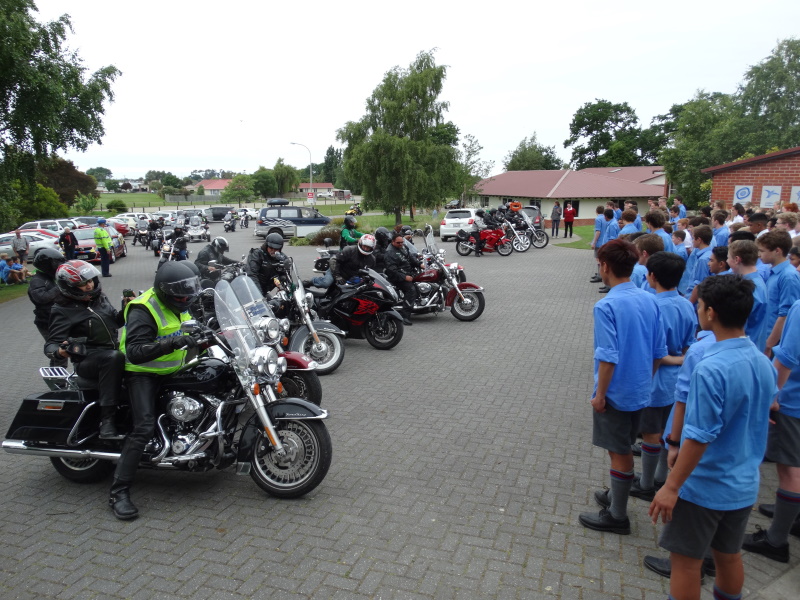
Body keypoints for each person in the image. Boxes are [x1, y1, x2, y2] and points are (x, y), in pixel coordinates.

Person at [649, 275, 777, 600]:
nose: (699, 310)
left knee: (687, 564)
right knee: (728, 555)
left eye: (701, 305)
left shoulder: (711, 368)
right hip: (743, 483)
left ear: (711, 314)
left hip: (704, 486)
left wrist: (671, 486)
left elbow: (699, 436)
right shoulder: (763, 361)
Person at [579, 239, 666, 536]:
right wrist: (647, 380)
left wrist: (600, 394)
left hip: (616, 392)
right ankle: (618, 492)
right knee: (624, 447)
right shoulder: (650, 299)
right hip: (642, 388)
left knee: (618, 452)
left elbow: (607, 356)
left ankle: (617, 515)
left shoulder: (607, 305)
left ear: (605, 266)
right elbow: (658, 350)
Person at [113, 261, 202, 520]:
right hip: (142, 373)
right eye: (181, 294)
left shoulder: (182, 301)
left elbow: (192, 324)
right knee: (143, 427)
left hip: (172, 370)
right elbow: (136, 351)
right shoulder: (143, 308)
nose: (187, 297)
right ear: (165, 292)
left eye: (189, 291)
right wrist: (173, 342)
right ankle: (118, 493)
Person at [631, 252, 695, 502]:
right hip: (677, 380)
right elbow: (689, 344)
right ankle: (659, 478)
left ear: (652, 277)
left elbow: (653, 351)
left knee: (650, 434)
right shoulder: (686, 304)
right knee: (666, 432)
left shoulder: (654, 306)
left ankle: (646, 483)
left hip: (655, 380)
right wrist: (681, 359)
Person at [742, 296, 800, 562]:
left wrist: (770, 396)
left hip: (793, 400)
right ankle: (791, 516)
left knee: (790, 470)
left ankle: (776, 540)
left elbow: (786, 357)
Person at [45, 261, 127, 440]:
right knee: (113, 358)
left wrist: (127, 308)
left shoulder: (99, 298)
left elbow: (116, 321)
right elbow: (50, 345)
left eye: (90, 280)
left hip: (111, 353)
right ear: (69, 286)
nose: (89, 285)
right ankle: (107, 422)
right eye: (83, 283)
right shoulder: (62, 309)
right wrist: (61, 351)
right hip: (87, 360)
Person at [759, 230, 800, 356]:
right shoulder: (773, 272)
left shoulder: (788, 276)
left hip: (775, 342)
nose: (759, 255)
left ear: (777, 251)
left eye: (762, 251)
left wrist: (769, 344)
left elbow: (786, 314)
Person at [27, 248, 67, 366]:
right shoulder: (37, 280)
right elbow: (42, 298)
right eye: (55, 264)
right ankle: (58, 382)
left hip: (57, 319)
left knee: (65, 350)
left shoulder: (49, 278)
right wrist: (59, 287)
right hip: (46, 321)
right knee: (59, 352)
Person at [728, 240, 768, 352]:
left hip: (744, 348)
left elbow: (738, 326)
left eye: (728, 258)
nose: (727, 261)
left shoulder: (748, 288)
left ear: (737, 259)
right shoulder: (757, 281)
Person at [384, 232, 418, 326]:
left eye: (402, 242)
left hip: (407, 273)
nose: (401, 244)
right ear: (392, 242)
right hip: (396, 277)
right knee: (411, 290)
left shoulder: (403, 247)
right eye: (398, 243)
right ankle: (405, 316)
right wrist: (405, 277)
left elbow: (410, 257)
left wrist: (420, 264)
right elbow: (392, 270)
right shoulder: (390, 252)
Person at [685, 225, 714, 303]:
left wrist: (690, 303)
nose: (692, 241)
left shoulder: (703, 259)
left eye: (693, 238)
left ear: (699, 240)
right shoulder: (709, 254)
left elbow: (700, 286)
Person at [590, 206, 608, 283]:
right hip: (605, 241)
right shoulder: (605, 218)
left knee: (598, 259)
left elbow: (598, 231)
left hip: (599, 241)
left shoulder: (598, 219)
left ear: (596, 211)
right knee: (601, 259)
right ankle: (599, 274)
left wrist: (594, 242)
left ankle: (600, 276)